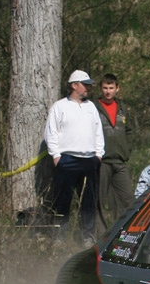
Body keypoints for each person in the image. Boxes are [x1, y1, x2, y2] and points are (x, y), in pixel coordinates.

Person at [44, 69, 105, 244]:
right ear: (74, 85)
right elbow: (51, 133)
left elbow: (98, 132)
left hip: (89, 160)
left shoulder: (91, 107)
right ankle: (59, 237)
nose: (88, 88)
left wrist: (98, 154)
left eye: (88, 85)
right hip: (67, 159)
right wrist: (56, 156)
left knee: (88, 201)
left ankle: (87, 236)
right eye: (85, 85)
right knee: (62, 200)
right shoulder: (60, 107)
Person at [94, 73, 135, 225]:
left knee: (127, 198)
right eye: (105, 88)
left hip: (120, 160)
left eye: (111, 88)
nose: (108, 91)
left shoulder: (122, 108)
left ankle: (125, 230)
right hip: (101, 161)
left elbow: (129, 131)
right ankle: (100, 234)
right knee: (99, 199)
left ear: (117, 88)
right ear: (101, 88)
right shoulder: (94, 107)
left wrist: (127, 150)